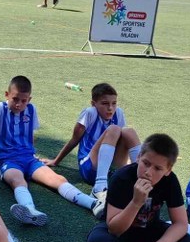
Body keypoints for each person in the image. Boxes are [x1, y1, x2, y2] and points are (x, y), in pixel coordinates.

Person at [0, 75, 104, 226]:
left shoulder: (31, 110)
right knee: (17, 180)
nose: (19, 104)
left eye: (24, 101)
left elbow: (30, 135)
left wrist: (32, 155)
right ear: (7, 95)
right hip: (8, 160)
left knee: (58, 179)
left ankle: (94, 204)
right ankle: (30, 210)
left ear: (29, 99)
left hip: (29, 159)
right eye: (15, 99)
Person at [87, 133, 190, 242]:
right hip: (121, 235)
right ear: (138, 157)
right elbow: (114, 229)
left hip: (150, 231)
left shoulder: (170, 181)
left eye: (158, 169)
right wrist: (136, 202)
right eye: (146, 163)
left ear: (168, 170)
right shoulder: (121, 178)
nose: (148, 172)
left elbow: (181, 224)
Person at [44, 82, 141, 217]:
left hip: (110, 169)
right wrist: (56, 161)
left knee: (129, 131)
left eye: (114, 103)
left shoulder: (118, 113)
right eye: (105, 103)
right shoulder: (90, 113)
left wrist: (129, 163)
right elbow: (74, 139)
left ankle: (140, 179)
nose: (110, 108)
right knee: (114, 129)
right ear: (93, 103)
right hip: (89, 167)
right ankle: (99, 188)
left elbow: (122, 141)